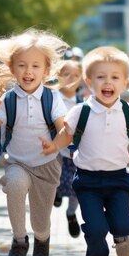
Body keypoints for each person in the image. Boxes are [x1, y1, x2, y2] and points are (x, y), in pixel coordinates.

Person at [41, 46, 129, 256]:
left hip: (118, 179)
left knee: (121, 223)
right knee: (95, 228)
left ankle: (122, 235)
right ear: (88, 81)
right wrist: (53, 146)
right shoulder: (80, 111)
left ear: (124, 82)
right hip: (88, 181)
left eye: (115, 77)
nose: (108, 82)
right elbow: (65, 134)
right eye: (101, 77)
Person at [0, 28, 68, 256]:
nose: (28, 71)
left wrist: (55, 145)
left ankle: (42, 237)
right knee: (15, 183)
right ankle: (19, 241)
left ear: (46, 71)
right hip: (17, 162)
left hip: (47, 166)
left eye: (35, 66)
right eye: (22, 65)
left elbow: (65, 130)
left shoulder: (52, 98)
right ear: (12, 67)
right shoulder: (7, 100)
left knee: (40, 220)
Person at [53, 59, 83, 237]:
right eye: (66, 74)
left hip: (76, 152)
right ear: (58, 77)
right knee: (56, 178)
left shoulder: (83, 102)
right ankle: (56, 192)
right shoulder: (53, 99)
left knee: (77, 186)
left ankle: (71, 213)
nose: (71, 78)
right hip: (56, 150)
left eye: (76, 75)